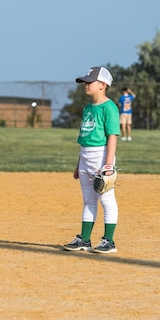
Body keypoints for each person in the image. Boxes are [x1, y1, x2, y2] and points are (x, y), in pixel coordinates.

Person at [63, 66, 120, 254]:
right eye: (85, 82)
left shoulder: (109, 108)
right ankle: (84, 240)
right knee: (89, 200)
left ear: (102, 85)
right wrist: (79, 164)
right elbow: (84, 139)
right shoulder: (87, 108)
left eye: (90, 81)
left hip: (101, 158)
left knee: (106, 200)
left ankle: (108, 241)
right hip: (86, 158)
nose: (86, 85)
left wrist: (108, 165)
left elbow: (112, 136)